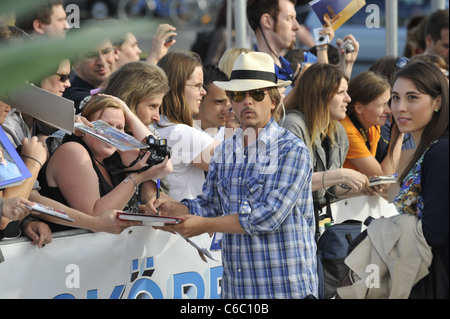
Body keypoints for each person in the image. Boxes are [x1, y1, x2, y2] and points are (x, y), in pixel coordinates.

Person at [153, 51, 318, 299]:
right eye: (239, 95)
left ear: (273, 101)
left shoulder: (291, 149)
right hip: (239, 290)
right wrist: (174, 209)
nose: (247, 102)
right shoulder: (227, 148)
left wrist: (204, 224)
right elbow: (211, 204)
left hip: (285, 288)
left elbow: (266, 218)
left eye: (257, 94)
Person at [39, 95, 171, 225]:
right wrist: (137, 178)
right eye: (105, 125)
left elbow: (162, 163)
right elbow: (96, 217)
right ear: (85, 127)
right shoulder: (73, 152)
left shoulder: (111, 157)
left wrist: (145, 211)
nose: (112, 133)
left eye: (119, 128)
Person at [390, 61, 449, 298]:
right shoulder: (430, 148)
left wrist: (382, 230)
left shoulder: (441, 152)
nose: (400, 107)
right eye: (395, 97)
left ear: (437, 102)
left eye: (412, 98)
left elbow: (434, 232)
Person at [283, 63, 369, 210]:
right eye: (340, 92)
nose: (348, 98)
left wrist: (364, 189)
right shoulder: (292, 125)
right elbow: (290, 184)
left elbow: (330, 189)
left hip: (318, 221)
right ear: (320, 95)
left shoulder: (338, 132)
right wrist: (341, 175)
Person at [156, 51, 220, 202]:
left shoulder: (160, 125)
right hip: (184, 219)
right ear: (176, 88)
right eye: (197, 86)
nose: (203, 92)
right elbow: (241, 163)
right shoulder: (179, 132)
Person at [246, 0, 323, 95]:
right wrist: (297, 87)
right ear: (267, 21)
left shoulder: (290, 67)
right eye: (289, 18)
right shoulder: (253, 74)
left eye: (295, 18)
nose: (296, 26)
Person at [340, 71, 404, 178]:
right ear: (359, 108)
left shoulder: (373, 124)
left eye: (388, 103)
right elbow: (383, 177)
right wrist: (398, 135)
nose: (389, 110)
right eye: (382, 105)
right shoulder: (347, 131)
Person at [63, 40, 117, 114]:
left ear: (115, 53)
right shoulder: (73, 98)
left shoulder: (121, 85)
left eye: (106, 52)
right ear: (75, 62)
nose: (102, 62)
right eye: (91, 55)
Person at [193, 64, 231, 141]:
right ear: (199, 98)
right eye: (219, 102)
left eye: (230, 101)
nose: (227, 109)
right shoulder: (182, 133)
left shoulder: (236, 134)